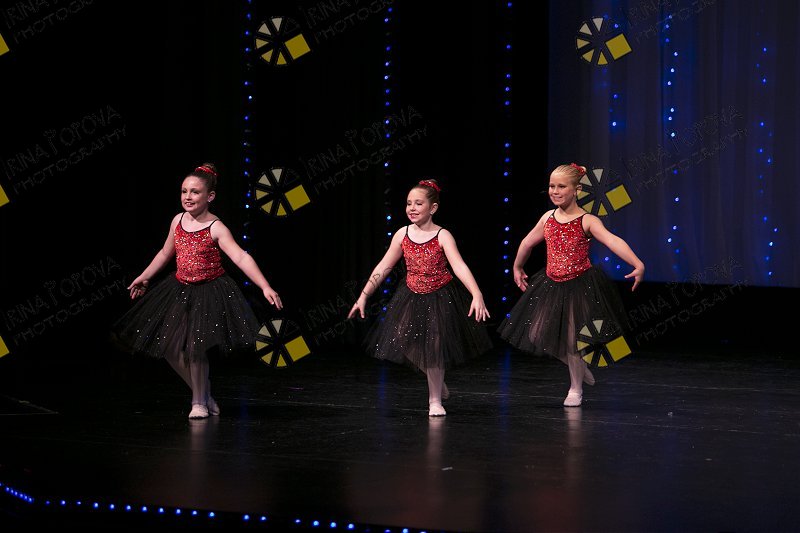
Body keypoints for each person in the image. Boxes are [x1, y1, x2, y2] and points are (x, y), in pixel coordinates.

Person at [112, 163, 283, 419]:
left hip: (208, 291)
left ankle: (199, 402)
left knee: (196, 349)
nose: (188, 197)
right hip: (180, 288)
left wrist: (264, 285)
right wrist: (145, 277)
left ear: (209, 197)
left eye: (195, 192)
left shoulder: (216, 227)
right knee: (169, 348)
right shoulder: (177, 221)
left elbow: (240, 257)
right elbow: (165, 253)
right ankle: (204, 392)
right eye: (184, 191)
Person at [498, 163, 644, 407]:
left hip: (579, 284)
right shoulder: (547, 218)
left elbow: (612, 241)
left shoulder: (587, 220)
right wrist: (517, 266)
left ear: (577, 189)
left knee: (573, 339)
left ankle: (575, 388)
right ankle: (579, 366)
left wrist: (637, 263)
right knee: (535, 333)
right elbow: (527, 242)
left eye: (561, 186)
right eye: (551, 186)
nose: (554, 191)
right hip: (551, 283)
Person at [348, 179, 492, 417]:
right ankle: (437, 379)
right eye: (408, 203)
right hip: (411, 293)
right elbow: (383, 267)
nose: (412, 208)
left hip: (439, 294)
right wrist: (363, 296)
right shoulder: (402, 234)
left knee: (434, 345)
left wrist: (476, 293)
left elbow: (459, 266)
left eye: (418, 203)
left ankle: (434, 400)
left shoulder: (442, 235)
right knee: (400, 340)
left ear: (432, 208)